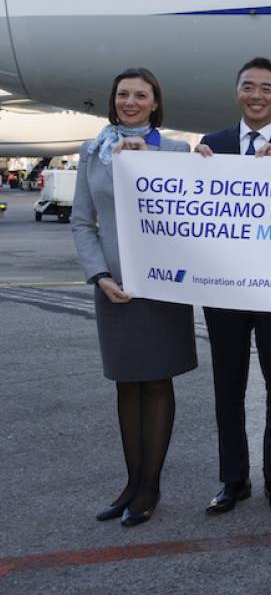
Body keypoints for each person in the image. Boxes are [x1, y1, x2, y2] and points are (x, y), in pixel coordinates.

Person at [72, 68, 196, 527]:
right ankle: (131, 482)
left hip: (161, 285)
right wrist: (99, 275)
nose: (130, 101)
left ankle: (150, 487)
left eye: (140, 95)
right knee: (127, 383)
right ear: (113, 100)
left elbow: (196, 213)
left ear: (155, 103)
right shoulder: (93, 152)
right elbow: (83, 222)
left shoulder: (177, 151)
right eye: (122, 94)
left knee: (157, 383)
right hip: (115, 285)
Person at [195, 57, 271, 515]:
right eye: (249, 86)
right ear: (237, 92)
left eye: (267, 88)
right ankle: (233, 480)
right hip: (224, 289)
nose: (257, 95)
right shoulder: (212, 145)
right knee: (228, 387)